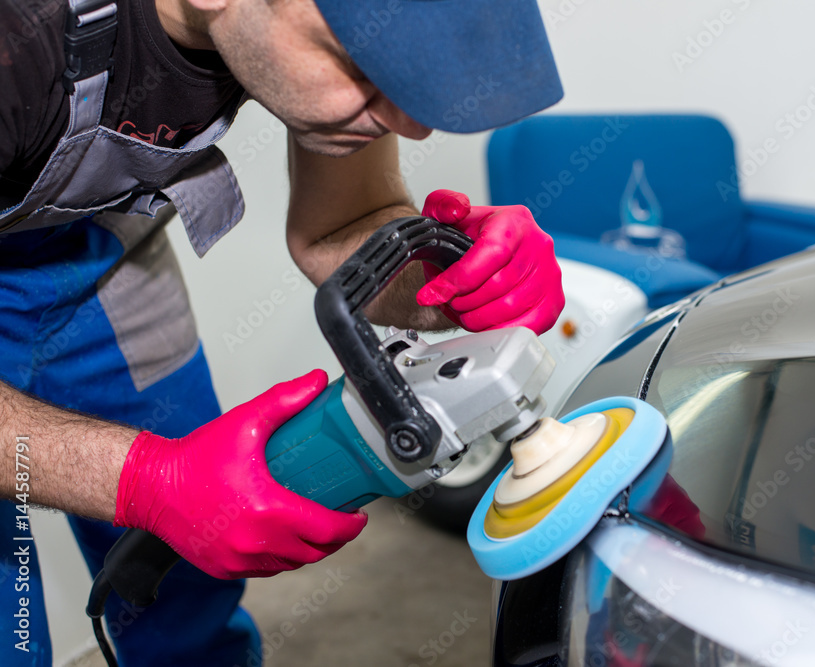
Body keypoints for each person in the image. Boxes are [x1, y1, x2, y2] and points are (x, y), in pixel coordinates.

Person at [0, 0, 565, 663]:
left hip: (102, 264)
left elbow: (339, 227)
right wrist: (145, 481)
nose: (405, 127)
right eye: (364, 66)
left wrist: (455, 285)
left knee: (191, 575)